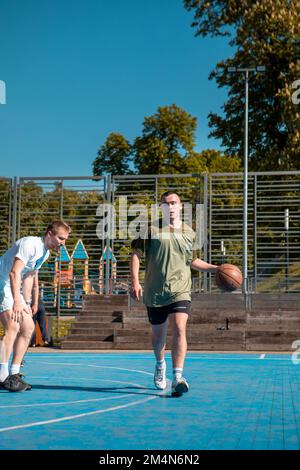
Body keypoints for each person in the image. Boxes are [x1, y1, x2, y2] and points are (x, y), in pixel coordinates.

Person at [130, 191, 218, 397]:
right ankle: (160, 365)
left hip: (180, 289)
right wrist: (135, 281)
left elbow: (192, 261)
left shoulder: (189, 232)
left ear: (180, 206)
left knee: (179, 327)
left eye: (173, 203)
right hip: (155, 291)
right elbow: (136, 255)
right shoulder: (149, 229)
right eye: (165, 204)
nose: (170, 207)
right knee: (158, 337)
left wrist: (217, 268)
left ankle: (178, 376)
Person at [0, 220, 70, 392]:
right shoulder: (30, 244)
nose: (63, 243)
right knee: (13, 326)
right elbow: (14, 272)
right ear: (50, 234)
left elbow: (29, 277)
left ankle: (14, 374)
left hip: (13, 286)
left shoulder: (45, 253)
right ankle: (2, 376)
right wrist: (17, 301)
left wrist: (27, 302)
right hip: (3, 282)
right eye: (61, 238)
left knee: (29, 327)